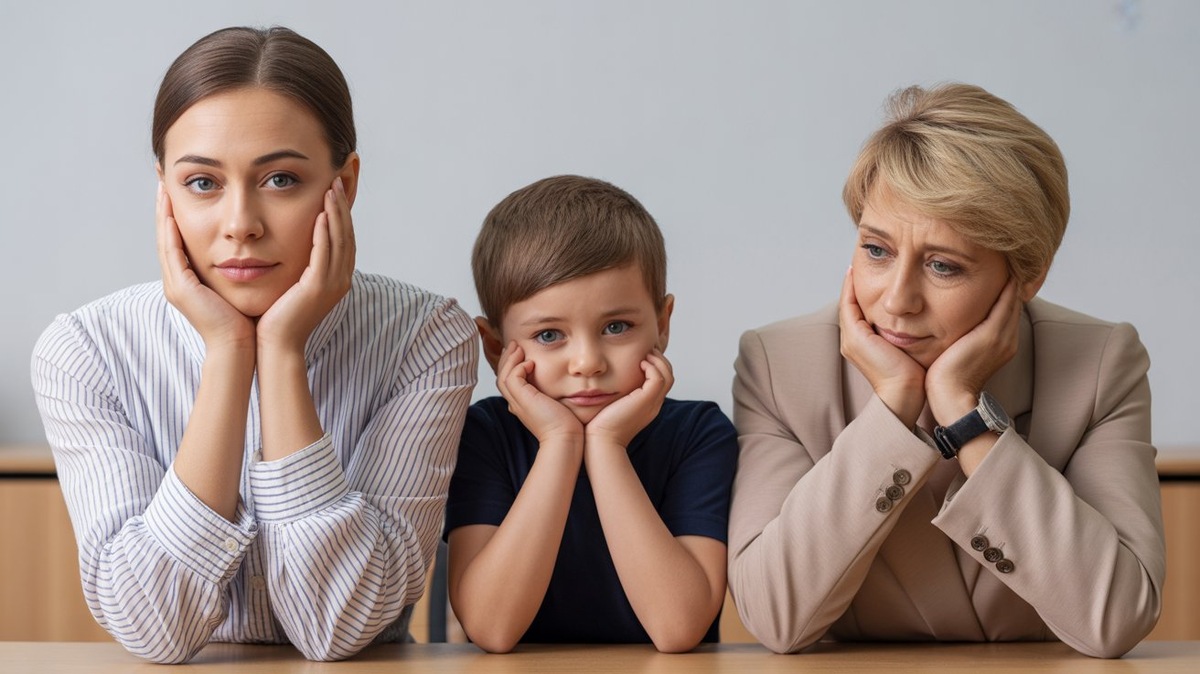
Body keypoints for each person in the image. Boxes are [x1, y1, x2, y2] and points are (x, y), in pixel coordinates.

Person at [30, 26, 478, 663]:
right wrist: (227, 354)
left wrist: (283, 354)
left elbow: (339, 626)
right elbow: (154, 629)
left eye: (281, 180)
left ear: (343, 187)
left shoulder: (425, 337)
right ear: (165, 192)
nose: (240, 224)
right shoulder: (86, 350)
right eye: (203, 184)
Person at [727, 83, 1164, 659]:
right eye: (876, 251)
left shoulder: (1102, 364)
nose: (897, 300)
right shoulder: (779, 364)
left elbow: (1114, 618)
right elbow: (776, 618)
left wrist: (964, 410)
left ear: (1026, 276)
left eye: (943, 266)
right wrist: (892, 407)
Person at [444, 175, 738, 653]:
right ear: (496, 346)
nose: (587, 362)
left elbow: (677, 627)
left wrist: (606, 446)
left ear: (662, 325)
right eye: (549, 335)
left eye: (616, 327)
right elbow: (492, 629)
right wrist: (560, 443)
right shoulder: (485, 434)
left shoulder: (700, 434)